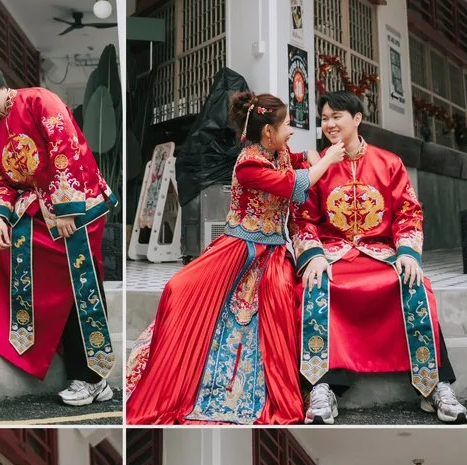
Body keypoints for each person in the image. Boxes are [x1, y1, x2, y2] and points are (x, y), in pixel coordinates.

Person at [125, 91, 348, 424]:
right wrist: (327, 161)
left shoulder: (279, 151)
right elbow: (293, 184)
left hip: (271, 255)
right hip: (239, 249)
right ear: (267, 132)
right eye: (286, 124)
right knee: (178, 288)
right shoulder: (249, 163)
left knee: (276, 302)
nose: (290, 130)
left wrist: (314, 155)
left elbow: (300, 161)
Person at [0, 60, 118, 407]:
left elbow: (66, 150)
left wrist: (66, 209)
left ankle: (92, 378)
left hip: (77, 205)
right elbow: (3, 179)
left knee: (77, 281)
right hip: (40, 209)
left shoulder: (40, 100)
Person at [291, 91, 464, 424]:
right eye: (325, 118)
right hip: (332, 255)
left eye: (337, 116)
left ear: (356, 119)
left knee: (415, 285)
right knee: (314, 287)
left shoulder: (389, 163)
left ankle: (435, 386)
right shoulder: (318, 166)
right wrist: (312, 255)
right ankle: (323, 387)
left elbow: (408, 213)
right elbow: (303, 218)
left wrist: (408, 253)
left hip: (381, 254)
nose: (329, 124)